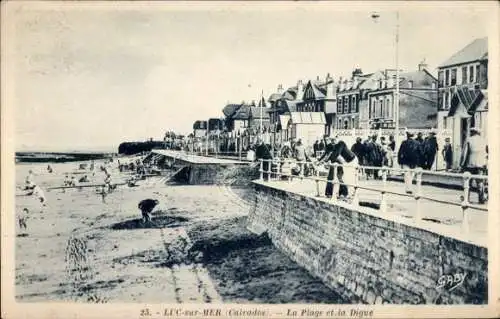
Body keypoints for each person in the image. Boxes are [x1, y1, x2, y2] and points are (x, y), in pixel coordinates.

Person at [460, 128, 487, 204]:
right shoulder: (484, 140)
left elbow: (465, 153)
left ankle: (466, 198)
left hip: (470, 164)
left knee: (468, 182)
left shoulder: (469, 140)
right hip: (481, 164)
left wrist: (462, 164)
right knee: (480, 182)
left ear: (472, 132)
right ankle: (481, 199)